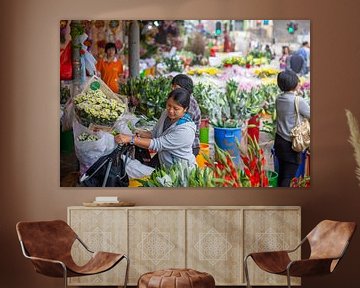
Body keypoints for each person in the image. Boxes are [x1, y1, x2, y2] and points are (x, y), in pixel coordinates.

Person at [115, 88, 196, 169]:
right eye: (169, 105)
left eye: (176, 108)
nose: (171, 110)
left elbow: (158, 144)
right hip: (165, 165)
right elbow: (155, 133)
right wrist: (140, 133)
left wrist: (131, 139)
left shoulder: (185, 131)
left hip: (181, 171)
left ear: (185, 109)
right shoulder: (165, 114)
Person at [274, 71, 310, 187]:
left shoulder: (279, 98)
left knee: (282, 173)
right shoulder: (298, 100)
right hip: (292, 143)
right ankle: (282, 202)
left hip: (279, 141)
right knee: (289, 177)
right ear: (294, 84)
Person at [171, 74, 201, 156]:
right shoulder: (183, 100)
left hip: (190, 146)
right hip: (182, 143)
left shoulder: (189, 103)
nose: (172, 90)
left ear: (185, 88)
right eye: (172, 87)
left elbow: (182, 127)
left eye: (175, 87)